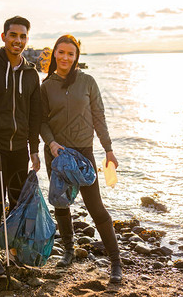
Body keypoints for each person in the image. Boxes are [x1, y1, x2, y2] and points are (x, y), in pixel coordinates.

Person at [40, 35, 122, 283]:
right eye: (61, 52)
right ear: (54, 54)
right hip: (56, 153)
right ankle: (67, 250)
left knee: (96, 207)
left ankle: (116, 262)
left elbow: (99, 116)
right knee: (61, 204)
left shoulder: (87, 82)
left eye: (71, 54)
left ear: (76, 57)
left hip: (84, 154)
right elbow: (41, 120)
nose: (65, 57)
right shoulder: (46, 86)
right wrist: (51, 143)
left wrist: (108, 149)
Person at [0, 16, 41, 277]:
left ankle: (13, 252)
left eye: (23, 36)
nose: (18, 40)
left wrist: (35, 149)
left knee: (17, 204)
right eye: (13, 35)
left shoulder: (31, 73)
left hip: (20, 151)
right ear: (3, 37)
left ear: (27, 39)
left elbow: (34, 115)